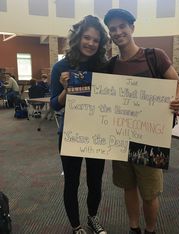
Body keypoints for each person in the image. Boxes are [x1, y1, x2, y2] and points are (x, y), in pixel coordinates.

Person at [103, 8, 179, 234]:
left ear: (132, 28)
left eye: (122, 27)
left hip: (150, 138)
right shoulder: (110, 66)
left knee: (149, 192)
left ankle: (150, 230)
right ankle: (134, 228)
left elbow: (178, 83)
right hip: (121, 137)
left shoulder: (154, 55)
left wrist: (176, 99)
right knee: (128, 187)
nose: (118, 32)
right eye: (113, 29)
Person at [50, 15, 109, 234]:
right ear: (77, 38)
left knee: (95, 182)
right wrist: (67, 89)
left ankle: (93, 218)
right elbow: (55, 105)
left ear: (101, 43)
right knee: (72, 183)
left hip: (98, 133)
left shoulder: (104, 67)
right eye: (87, 37)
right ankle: (76, 227)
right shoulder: (61, 67)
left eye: (96, 40)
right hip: (71, 134)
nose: (91, 43)